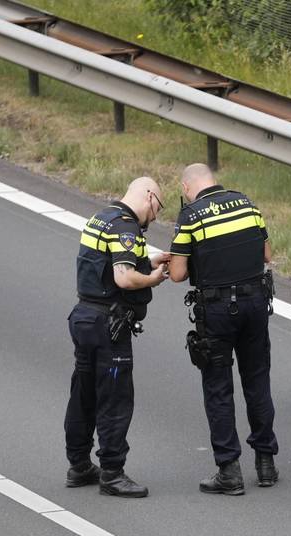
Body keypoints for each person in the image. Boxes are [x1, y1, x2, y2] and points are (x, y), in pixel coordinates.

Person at [168, 163, 279, 495]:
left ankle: (229, 470)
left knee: (218, 388)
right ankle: (266, 464)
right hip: (256, 303)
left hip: (216, 310)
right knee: (257, 381)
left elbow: (176, 274)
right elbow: (267, 254)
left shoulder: (191, 216)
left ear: (187, 187)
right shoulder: (247, 204)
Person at [63, 177, 169, 498]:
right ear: (149, 196)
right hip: (108, 324)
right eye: (158, 208)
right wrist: (152, 278)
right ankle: (112, 472)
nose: (155, 216)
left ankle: (79, 465)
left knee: (84, 392)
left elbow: (107, 267)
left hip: (84, 316)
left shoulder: (100, 218)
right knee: (115, 397)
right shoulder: (126, 227)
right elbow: (123, 278)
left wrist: (148, 261)